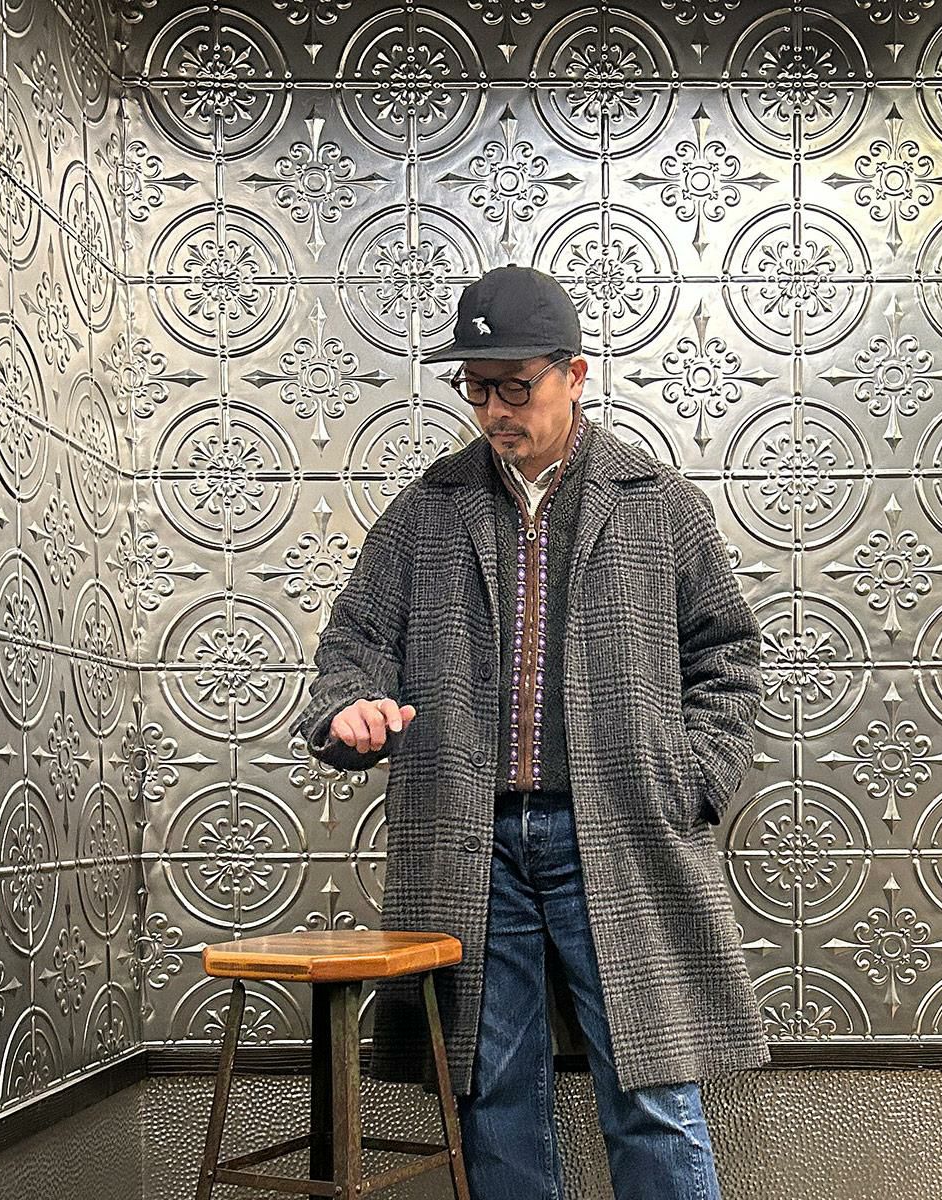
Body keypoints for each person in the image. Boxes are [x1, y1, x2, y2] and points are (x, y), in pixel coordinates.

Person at [291, 264, 769, 1199]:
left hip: (619, 828)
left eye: (514, 387)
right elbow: (352, 644)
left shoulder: (655, 500)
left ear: (574, 375)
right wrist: (348, 709)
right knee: (491, 1090)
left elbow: (728, 653)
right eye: (476, 389)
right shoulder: (430, 506)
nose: (494, 411)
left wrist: (690, 780)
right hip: (470, 841)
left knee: (652, 1088)